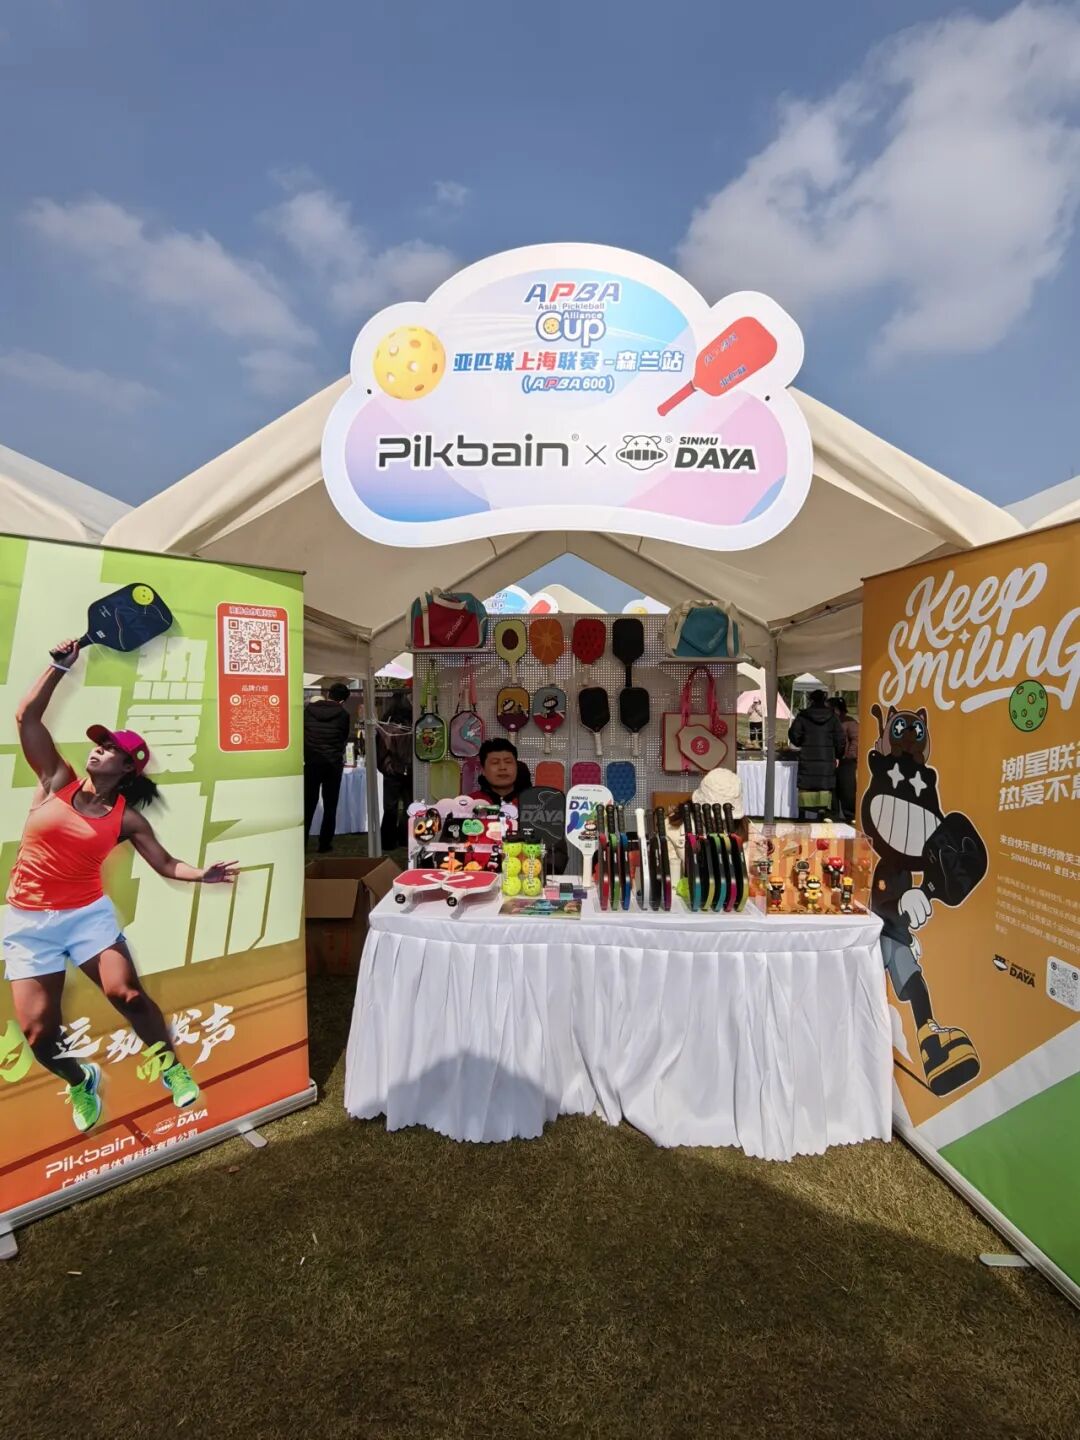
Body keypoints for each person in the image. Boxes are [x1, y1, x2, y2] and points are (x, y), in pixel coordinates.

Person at [3, 639, 238, 1136]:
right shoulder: (56, 779)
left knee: (126, 994)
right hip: (27, 921)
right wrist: (58, 667)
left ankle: (171, 1067)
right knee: (39, 1034)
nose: (99, 748)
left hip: (86, 916)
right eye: (100, 742)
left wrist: (204, 874)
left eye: (111, 748)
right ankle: (80, 1079)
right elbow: (26, 717)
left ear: (129, 768)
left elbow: (166, 863)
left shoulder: (126, 819)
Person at [303, 682, 351, 853]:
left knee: (308, 804)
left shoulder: (308, 710)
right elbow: (343, 738)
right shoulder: (343, 714)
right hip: (333, 764)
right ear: (343, 700)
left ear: (329, 694)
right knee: (330, 805)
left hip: (312, 762)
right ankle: (325, 843)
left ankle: (302, 842)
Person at [787, 689, 845, 819]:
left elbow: (794, 735)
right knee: (824, 788)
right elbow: (840, 739)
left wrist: (801, 742)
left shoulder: (803, 716)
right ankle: (823, 816)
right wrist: (838, 755)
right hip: (826, 760)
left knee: (806, 788)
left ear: (811, 700)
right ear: (824, 700)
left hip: (807, 758)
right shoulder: (833, 717)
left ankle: (802, 817)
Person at [376, 688, 414, 851]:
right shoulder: (413, 721)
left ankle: (388, 841)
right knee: (409, 806)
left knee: (390, 807)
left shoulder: (386, 723)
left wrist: (385, 766)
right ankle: (405, 838)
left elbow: (381, 748)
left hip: (392, 770)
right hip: (410, 769)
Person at [469, 738, 532, 808]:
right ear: (483, 770)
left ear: (516, 767)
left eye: (508, 762)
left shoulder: (533, 803)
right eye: (495, 762)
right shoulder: (470, 803)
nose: (502, 767)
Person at [829, 696, 860, 821]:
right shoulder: (831, 721)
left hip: (846, 761)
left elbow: (856, 740)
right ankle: (833, 814)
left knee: (847, 789)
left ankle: (850, 815)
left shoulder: (850, 722)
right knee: (833, 788)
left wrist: (849, 755)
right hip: (833, 759)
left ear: (836, 708)